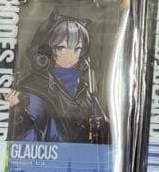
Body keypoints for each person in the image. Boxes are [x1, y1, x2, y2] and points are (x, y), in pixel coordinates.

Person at [7, 14, 110, 144]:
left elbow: (106, 130)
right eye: (62, 48)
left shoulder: (83, 89)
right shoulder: (35, 89)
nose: (70, 55)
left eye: (77, 48)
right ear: (47, 51)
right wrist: (19, 116)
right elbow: (27, 143)